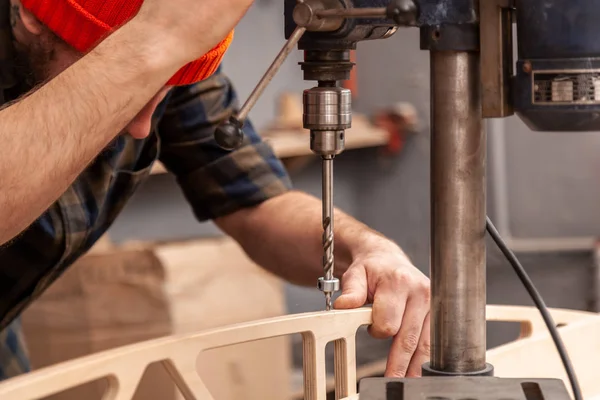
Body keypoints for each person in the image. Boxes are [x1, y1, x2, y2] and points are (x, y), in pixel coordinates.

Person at [0, 0, 431, 382]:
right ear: (34, 14)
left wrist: (365, 250)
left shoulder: (165, 53)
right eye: (126, 82)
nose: (141, 126)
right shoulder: (152, 43)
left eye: (164, 89)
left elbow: (256, 200)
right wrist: (151, 46)